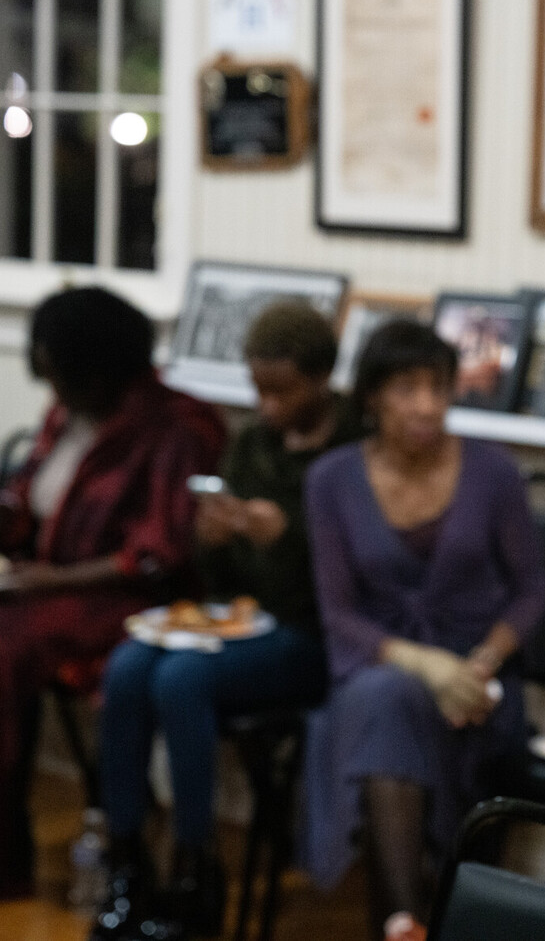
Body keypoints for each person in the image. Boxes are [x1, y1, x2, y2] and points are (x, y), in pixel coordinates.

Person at [0, 286, 225, 906]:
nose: (53, 392)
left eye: (61, 377)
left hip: (122, 601)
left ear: (99, 367)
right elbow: (30, 515)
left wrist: (51, 579)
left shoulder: (177, 428)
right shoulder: (66, 414)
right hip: (42, 583)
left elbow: (158, 553)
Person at [91, 301, 355, 941]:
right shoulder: (251, 444)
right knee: (128, 668)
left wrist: (284, 539)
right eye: (258, 390)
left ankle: (195, 868)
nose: (266, 406)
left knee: (181, 681)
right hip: (245, 623)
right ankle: (127, 861)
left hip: (316, 637)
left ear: (321, 379)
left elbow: (345, 581)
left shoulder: (352, 450)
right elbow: (225, 583)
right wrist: (214, 540)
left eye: (281, 392)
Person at [300, 320, 545, 940]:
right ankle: (409, 920)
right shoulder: (329, 480)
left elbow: (533, 591)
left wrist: (478, 664)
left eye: (439, 388)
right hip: (379, 670)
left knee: (383, 713)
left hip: (477, 688)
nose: (428, 406)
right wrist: (422, 664)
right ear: (372, 397)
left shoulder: (493, 474)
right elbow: (338, 615)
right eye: (408, 388)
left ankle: (398, 924)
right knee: (387, 698)